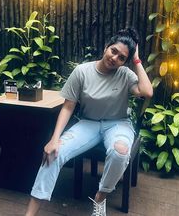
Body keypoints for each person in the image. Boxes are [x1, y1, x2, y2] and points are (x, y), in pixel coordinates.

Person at [25, 28, 153, 216]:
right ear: (106, 47)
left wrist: (137, 60)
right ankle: (30, 213)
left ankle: (100, 197)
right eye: (114, 51)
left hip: (118, 124)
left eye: (122, 58)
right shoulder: (82, 72)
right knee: (53, 153)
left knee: (120, 152)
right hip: (88, 123)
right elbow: (68, 106)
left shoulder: (125, 74)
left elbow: (147, 92)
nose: (115, 58)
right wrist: (54, 139)